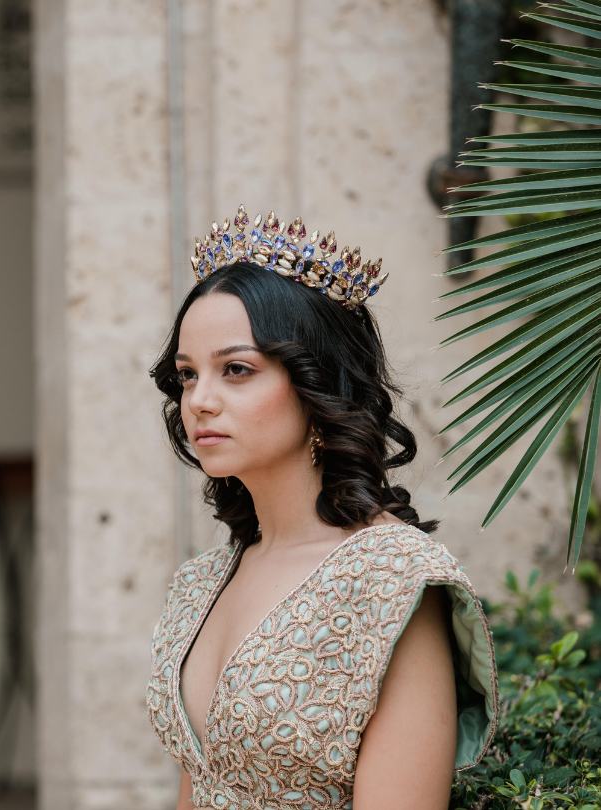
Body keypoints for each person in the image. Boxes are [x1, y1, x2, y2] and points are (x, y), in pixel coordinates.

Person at [145, 205, 499, 810]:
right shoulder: (201, 582)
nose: (199, 400)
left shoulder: (393, 583)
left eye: (236, 370)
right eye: (186, 375)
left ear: (318, 385)